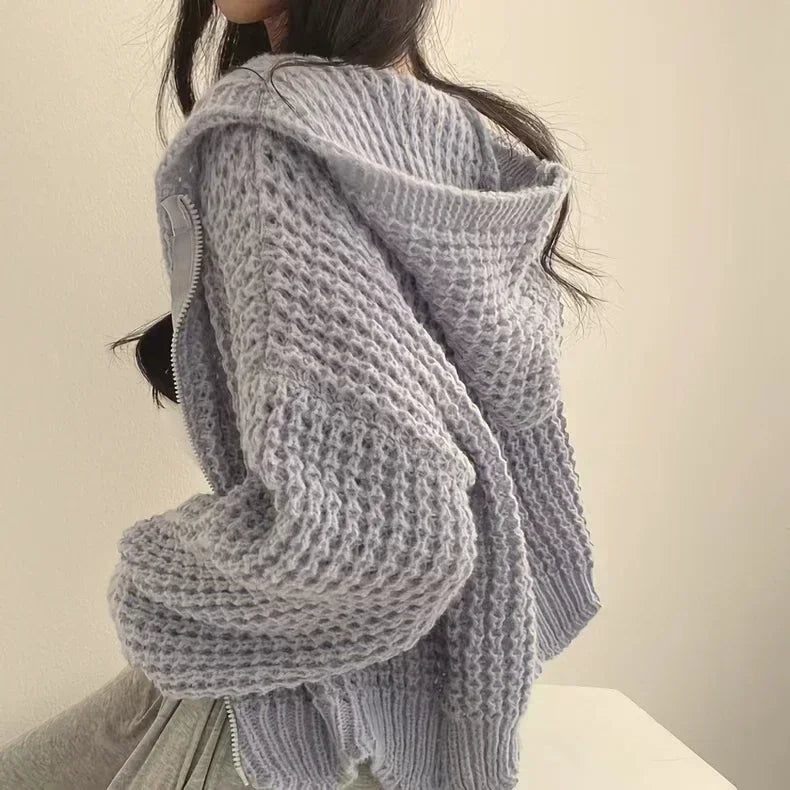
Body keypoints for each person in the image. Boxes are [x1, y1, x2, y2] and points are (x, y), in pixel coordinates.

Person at [0, 1, 601, 788]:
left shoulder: (268, 138)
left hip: (294, 724)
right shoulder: (472, 142)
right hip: (421, 716)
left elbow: (390, 537)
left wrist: (157, 579)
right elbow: (537, 520)